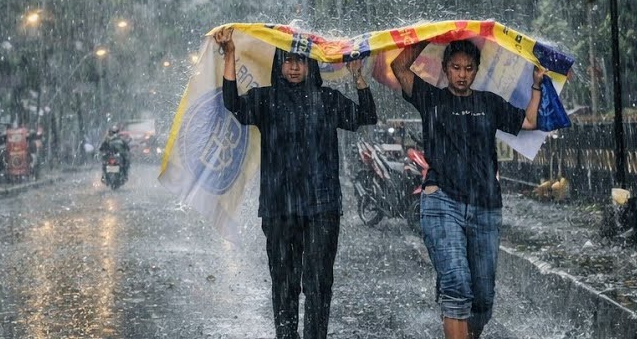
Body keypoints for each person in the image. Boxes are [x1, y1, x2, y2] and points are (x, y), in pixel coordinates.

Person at [213, 26, 378, 339]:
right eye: (287, 60)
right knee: (284, 285)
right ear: (279, 64)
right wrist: (230, 55)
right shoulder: (265, 99)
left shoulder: (327, 100)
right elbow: (233, 103)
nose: (293, 66)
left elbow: (366, 116)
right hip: (278, 208)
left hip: (322, 207)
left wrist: (358, 77)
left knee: (318, 284)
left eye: (300, 61)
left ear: (311, 65)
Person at [390, 39, 544, 339]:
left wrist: (536, 85)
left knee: (483, 298)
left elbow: (529, 120)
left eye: (469, 69)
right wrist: (428, 35)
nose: (462, 74)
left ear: (476, 71)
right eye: (456, 68)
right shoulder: (430, 99)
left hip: (486, 204)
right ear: (446, 69)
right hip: (441, 200)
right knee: (457, 283)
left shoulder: (489, 103)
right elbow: (399, 66)